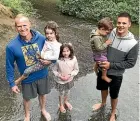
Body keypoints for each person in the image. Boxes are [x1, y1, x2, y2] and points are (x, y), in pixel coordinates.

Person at [6, 14, 53, 121]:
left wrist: (51, 61)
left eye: (24, 25)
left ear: (30, 24)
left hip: (42, 74)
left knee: (42, 94)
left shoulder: (41, 38)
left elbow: (53, 51)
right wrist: (12, 83)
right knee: (26, 98)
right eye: (19, 26)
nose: (22, 28)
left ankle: (43, 110)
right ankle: (27, 116)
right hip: (27, 79)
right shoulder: (11, 46)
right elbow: (9, 66)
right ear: (15, 27)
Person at [92, 12, 138, 121]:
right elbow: (98, 36)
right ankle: (103, 103)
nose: (121, 25)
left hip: (116, 74)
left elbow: (131, 63)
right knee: (103, 88)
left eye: (124, 23)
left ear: (129, 24)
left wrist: (111, 65)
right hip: (102, 68)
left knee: (114, 95)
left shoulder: (133, 43)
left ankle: (113, 113)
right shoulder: (111, 32)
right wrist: (96, 62)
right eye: (119, 22)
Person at [15, 21, 62, 85]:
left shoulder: (56, 45)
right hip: (41, 58)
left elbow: (56, 57)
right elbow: (44, 45)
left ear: (56, 33)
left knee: (27, 71)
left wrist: (43, 57)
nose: (49, 35)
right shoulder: (47, 40)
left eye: (51, 33)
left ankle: (19, 80)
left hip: (44, 62)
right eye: (47, 33)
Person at [52, 43, 79, 113]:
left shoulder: (74, 59)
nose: (66, 53)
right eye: (64, 51)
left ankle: (66, 101)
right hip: (60, 80)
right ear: (61, 52)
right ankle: (61, 105)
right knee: (61, 93)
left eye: (67, 51)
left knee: (67, 91)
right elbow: (54, 70)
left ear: (71, 51)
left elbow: (76, 69)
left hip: (69, 79)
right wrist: (59, 75)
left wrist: (70, 75)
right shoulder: (58, 60)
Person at [90, 17, 113, 83]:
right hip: (99, 54)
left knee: (98, 62)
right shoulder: (96, 38)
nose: (107, 34)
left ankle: (95, 67)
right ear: (102, 29)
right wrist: (106, 43)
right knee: (105, 64)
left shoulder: (98, 32)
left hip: (98, 54)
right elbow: (99, 48)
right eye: (106, 32)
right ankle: (104, 76)